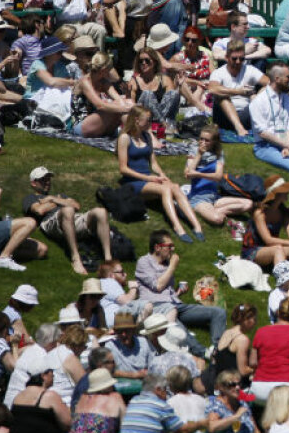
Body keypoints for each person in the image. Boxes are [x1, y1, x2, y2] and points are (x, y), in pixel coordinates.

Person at [117, 107, 204, 243]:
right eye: (147, 120)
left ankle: (196, 225)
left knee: (174, 186)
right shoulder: (124, 138)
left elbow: (154, 163)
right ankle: (177, 226)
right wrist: (149, 178)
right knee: (165, 189)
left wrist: (162, 175)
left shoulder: (146, 136)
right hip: (132, 182)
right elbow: (123, 169)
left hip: (147, 179)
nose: (150, 123)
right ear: (136, 120)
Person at [135, 230, 227, 355]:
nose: (173, 249)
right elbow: (158, 286)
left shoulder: (166, 264)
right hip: (157, 306)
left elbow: (165, 290)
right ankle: (205, 353)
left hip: (175, 304)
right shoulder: (144, 262)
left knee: (218, 312)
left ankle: (218, 348)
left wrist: (177, 292)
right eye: (169, 246)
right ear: (157, 247)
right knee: (178, 331)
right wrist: (173, 266)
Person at [22, 166, 111, 275]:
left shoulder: (58, 196)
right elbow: (39, 210)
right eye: (43, 179)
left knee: (101, 211)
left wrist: (53, 199)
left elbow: (76, 206)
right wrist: (60, 202)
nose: (47, 182)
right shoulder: (30, 198)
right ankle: (75, 257)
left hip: (72, 219)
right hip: (51, 222)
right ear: (34, 183)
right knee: (68, 210)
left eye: (48, 179)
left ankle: (108, 259)